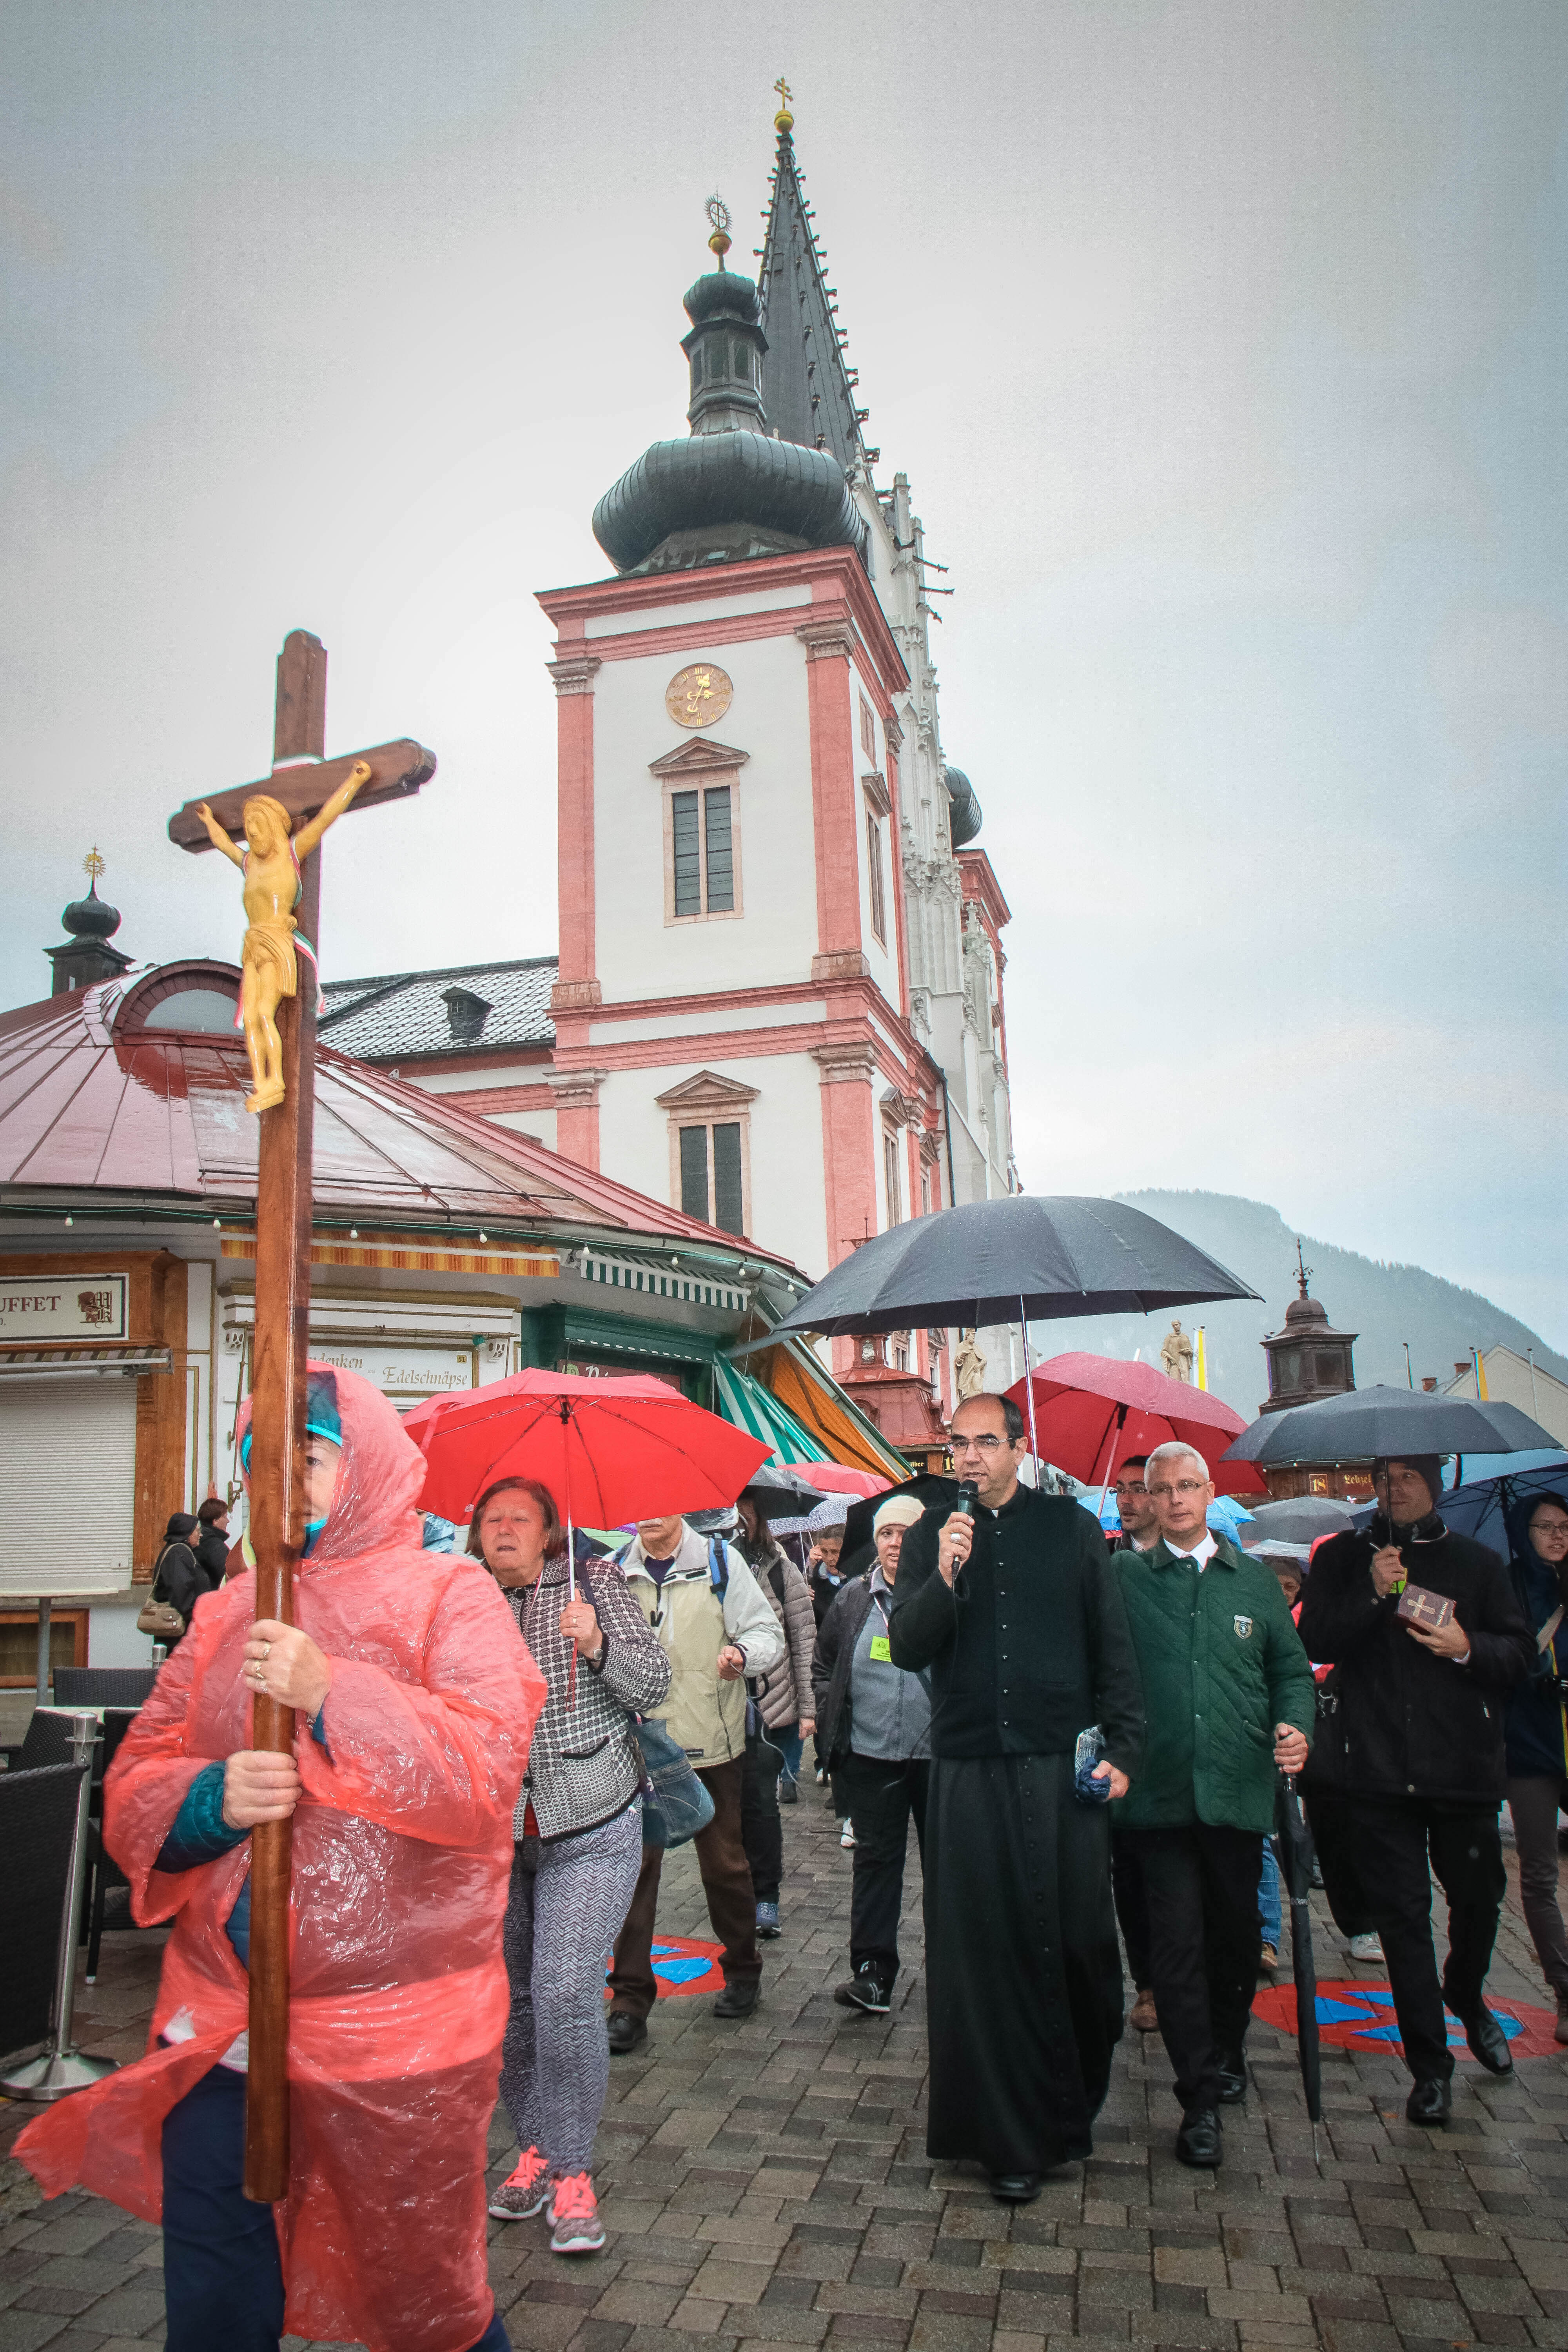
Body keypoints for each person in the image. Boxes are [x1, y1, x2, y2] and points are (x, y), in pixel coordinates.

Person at [17, 1364, 545, 2352]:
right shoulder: (226, 1609)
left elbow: (484, 1772)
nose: (284, 1485)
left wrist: (331, 1690)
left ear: (370, 1465)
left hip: (396, 2039)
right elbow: (136, 1785)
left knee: (426, 2298)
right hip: (221, 2025)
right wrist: (209, 1805)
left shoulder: (450, 1594)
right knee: (216, 2293)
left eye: (308, 1459)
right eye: (263, 1464)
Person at [888, 1393, 1143, 2202]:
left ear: (1017, 1447)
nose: (968, 1457)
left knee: (1076, 1946)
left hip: (1056, 1767)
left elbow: (1112, 1648)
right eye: (956, 1443)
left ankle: (1069, 2106)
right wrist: (942, 1575)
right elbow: (908, 1648)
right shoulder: (932, 1535)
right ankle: (1005, 2139)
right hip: (966, 1770)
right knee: (981, 1955)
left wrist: (1127, 1749)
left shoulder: (1069, 1530)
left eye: (985, 1442)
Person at [1299, 1454, 1533, 2125]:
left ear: (1434, 1485)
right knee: (1404, 1923)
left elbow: (1514, 1653)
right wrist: (1375, 1593)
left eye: (1408, 1477)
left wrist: (1466, 1646)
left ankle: (1467, 1991)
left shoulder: (1479, 1564)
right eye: (1383, 1477)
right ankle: (1430, 2066)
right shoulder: (1345, 1556)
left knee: (1479, 1901)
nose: (1393, 1488)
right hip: (1374, 1770)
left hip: (1461, 1768)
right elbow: (1315, 1636)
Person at [473, 1477, 672, 2253]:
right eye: (491, 1519)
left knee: (561, 1992)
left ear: (550, 1530)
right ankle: (533, 2149)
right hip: (495, 1835)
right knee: (512, 2003)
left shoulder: (598, 1582)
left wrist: (596, 1644)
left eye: (520, 1518)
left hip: (591, 1821)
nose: (503, 1529)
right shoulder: (465, 1598)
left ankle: (573, 2176)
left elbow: (654, 1685)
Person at [1113, 1443, 1313, 2170]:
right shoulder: (1126, 1577)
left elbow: (1290, 1669)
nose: (1173, 1499)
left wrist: (1298, 1728)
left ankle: (1226, 2052)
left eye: (1187, 1486)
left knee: (1233, 1946)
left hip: (1235, 1793)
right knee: (1175, 1950)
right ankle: (1197, 2099)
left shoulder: (1253, 1583)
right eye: (1160, 1489)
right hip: (1157, 1799)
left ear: (1210, 1492)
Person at [605, 1509, 785, 2051]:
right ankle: (630, 2001)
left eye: (661, 1505)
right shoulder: (614, 1570)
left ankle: (743, 1968)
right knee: (634, 1872)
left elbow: (766, 1634)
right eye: (640, 1507)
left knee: (725, 1864)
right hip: (638, 1746)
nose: (650, 1517)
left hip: (712, 1741)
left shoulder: (719, 1562)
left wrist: (742, 1655)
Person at [813, 1492, 931, 2013]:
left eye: (906, 1532)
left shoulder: (943, 1593)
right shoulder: (854, 1598)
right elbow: (824, 1664)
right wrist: (828, 1711)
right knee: (876, 1865)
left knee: (947, 1870)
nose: (895, 1542)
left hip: (938, 1759)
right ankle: (873, 1974)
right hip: (871, 1755)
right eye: (887, 1533)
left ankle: (955, 1971)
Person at [1501, 1489, 1568, 2043]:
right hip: (1530, 1748)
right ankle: (1565, 1991)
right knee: (1540, 1874)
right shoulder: (1510, 1586)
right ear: (1525, 1532)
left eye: (1564, 1526)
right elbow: (1497, 1658)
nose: (1557, 1536)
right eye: (1545, 1526)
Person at [734, 1491, 817, 1938]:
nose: (735, 1522)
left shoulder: (781, 1570)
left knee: (761, 1807)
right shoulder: (706, 1567)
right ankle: (736, 1894)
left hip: (770, 1706)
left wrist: (808, 1711)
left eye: (742, 1513)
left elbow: (804, 1645)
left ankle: (765, 1897)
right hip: (717, 1709)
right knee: (727, 1814)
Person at [1107, 1459, 1159, 2033]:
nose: (1127, 1499)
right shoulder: (1107, 1561)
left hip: (1179, 1739)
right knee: (1132, 1872)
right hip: (1124, 1738)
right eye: (1121, 1489)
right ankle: (1147, 1982)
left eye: (1138, 1489)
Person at [148, 1512, 214, 1650]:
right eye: (197, 1531)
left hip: (181, 1632)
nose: (200, 1535)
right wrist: (199, 1620)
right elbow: (181, 1592)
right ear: (187, 1533)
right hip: (180, 1635)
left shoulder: (179, 1552)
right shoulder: (178, 1553)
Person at [194, 1497, 231, 1583]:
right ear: (215, 1521)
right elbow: (228, 1575)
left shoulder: (199, 1538)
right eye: (225, 1517)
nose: (228, 1521)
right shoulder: (213, 1544)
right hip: (212, 1594)